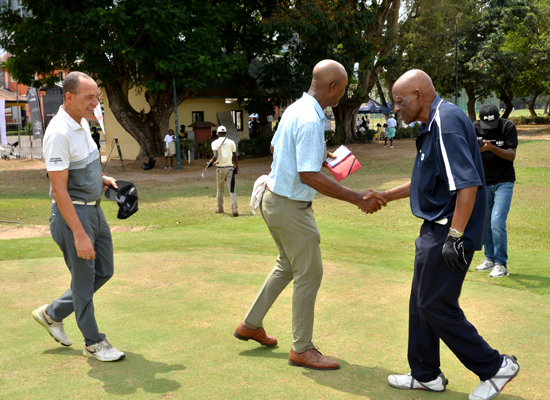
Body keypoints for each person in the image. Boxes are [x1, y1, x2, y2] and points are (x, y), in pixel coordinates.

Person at [365, 70, 519, 400]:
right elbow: (428, 179)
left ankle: (495, 367)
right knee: (421, 301)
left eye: (399, 101)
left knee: (436, 303)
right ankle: (426, 374)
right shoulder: (432, 124)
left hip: (448, 229)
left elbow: (468, 184)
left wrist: (455, 236)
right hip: (434, 227)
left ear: (419, 95)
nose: (396, 108)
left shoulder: (446, 123)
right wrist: (385, 195)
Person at [233, 59, 385, 371]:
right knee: (310, 274)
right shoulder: (311, 119)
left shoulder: (295, 108)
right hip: (290, 207)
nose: (343, 94)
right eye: (343, 89)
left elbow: (277, 149)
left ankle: (250, 324)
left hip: (273, 200)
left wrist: (317, 154)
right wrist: (356, 197)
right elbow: (308, 176)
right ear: (333, 87)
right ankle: (302, 349)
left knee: (286, 266)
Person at [33, 71, 125, 362]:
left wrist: (101, 179)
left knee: (104, 270)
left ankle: (52, 313)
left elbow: (80, 167)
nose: (95, 103)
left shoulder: (82, 122)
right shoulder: (59, 133)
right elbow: (59, 190)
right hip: (73, 214)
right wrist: (80, 235)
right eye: (89, 97)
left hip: (94, 209)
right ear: (69, 97)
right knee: (84, 281)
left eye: (96, 97)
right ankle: (94, 343)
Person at [473, 104, 518, 278]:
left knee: (497, 221)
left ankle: (501, 264)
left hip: (504, 181)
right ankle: (490, 259)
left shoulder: (508, 127)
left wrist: (492, 148)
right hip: (484, 181)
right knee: (486, 222)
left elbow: (511, 155)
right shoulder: (474, 127)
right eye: (487, 125)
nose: (489, 129)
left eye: (492, 124)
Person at [209, 125, 239, 216]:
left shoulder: (214, 143)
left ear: (218, 133)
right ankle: (234, 207)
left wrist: (211, 162)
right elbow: (235, 156)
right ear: (225, 133)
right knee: (232, 189)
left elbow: (215, 156)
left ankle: (220, 208)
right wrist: (237, 166)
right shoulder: (231, 142)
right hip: (230, 168)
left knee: (220, 189)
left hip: (220, 169)